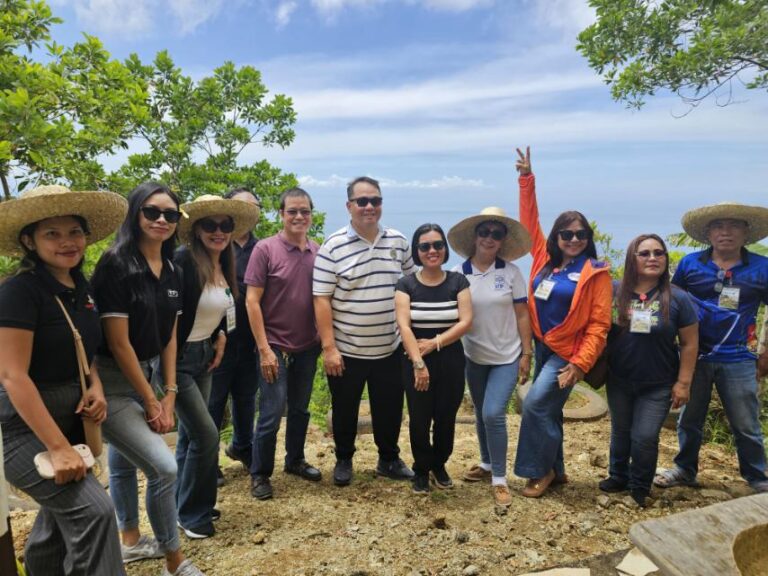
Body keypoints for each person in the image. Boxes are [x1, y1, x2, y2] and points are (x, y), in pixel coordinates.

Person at [0, 184, 127, 575]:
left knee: (56, 526)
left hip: (71, 420)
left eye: (74, 232)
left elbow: (84, 351)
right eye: (52, 234)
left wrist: (95, 386)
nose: (66, 242)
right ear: (29, 240)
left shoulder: (81, 289)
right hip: (23, 430)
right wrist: (57, 447)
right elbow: (11, 374)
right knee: (95, 511)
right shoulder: (20, 292)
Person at [91, 182, 205, 576]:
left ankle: (130, 540)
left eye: (170, 214)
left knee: (126, 458)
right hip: (113, 380)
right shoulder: (116, 265)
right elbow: (118, 344)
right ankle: (175, 560)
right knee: (164, 468)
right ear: (135, 213)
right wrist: (152, 400)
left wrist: (169, 391)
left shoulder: (172, 269)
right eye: (151, 211)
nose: (161, 220)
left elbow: (170, 336)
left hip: (151, 373)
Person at [514, 147, 612, 498]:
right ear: (556, 237)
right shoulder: (544, 259)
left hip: (567, 353)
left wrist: (579, 364)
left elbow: (599, 326)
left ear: (588, 239)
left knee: (535, 404)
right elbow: (529, 222)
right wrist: (526, 179)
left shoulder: (596, 273)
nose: (574, 240)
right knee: (550, 411)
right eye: (567, 234)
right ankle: (558, 469)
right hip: (543, 346)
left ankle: (540, 470)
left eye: (580, 235)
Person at [655, 203, 768, 493]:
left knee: (745, 423)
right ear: (708, 233)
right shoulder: (690, 264)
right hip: (694, 356)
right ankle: (685, 469)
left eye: (734, 226)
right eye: (718, 226)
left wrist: (766, 352)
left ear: (746, 232)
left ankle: (757, 476)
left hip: (739, 356)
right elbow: (673, 303)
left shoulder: (762, 267)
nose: (725, 232)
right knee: (689, 418)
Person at [313, 176, 415, 486]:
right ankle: (344, 459)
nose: (369, 206)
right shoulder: (333, 246)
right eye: (362, 201)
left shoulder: (398, 241)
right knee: (345, 409)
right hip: (347, 348)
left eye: (375, 200)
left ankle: (389, 459)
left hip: (390, 346)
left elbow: (412, 285)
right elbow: (321, 299)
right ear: (349, 206)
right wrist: (329, 348)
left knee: (390, 408)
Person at [171, 194, 260, 536]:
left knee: (189, 436)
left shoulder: (222, 260)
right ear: (195, 229)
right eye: (210, 225)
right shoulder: (183, 260)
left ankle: (187, 503)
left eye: (226, 225)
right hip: (179, 358)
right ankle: (193, 515)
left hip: (204, 354)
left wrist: (220, 334)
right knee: (206, 435)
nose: (219, 231)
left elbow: (222, 304)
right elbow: (170, 315)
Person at [601, 234, 699, 507]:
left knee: (644, 436)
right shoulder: (614, 291)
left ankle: (640, 486)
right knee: (621, 430)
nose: (653, 258)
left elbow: (690, 343)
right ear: (632, 258)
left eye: (659, 253)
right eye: (644, 253)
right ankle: (618, 475)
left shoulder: (678, 298)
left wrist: (683, 383)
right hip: (619, 378)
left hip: (658, 383)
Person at [447, 207, 533, 507]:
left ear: (503, 240)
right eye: (484, 232)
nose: (489, 238)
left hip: (507, 356)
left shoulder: (511, 273)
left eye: (497, 234)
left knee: (493, 413)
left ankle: (499, 477)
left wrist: (526, 353)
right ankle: (486, 463)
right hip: (473, 355)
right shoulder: (458, 274)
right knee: (481, 412)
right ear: (475, 236)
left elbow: (522, 314)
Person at [245, 187, 322, 500]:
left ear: (311, 214)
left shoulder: (318, 251)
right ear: (281, 214)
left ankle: (295, 460)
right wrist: (264, 350)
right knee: (272, 411)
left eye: (305, 211)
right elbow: (252, 301)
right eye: (292, 211)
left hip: (308, 344)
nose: (299, 216)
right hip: (273, 345)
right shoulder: (265, 249)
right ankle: (260, 473)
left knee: (300, 408)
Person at [395, 224, 472, 494]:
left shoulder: (458, 282)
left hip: (450, 358)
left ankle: (438, 463)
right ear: (416, 251)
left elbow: (466, 321)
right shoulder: (406, 284)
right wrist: (419, 363)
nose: (432, 251)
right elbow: (404, 326)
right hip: (414, 357)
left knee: (445, 417)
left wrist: (435, 343)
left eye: (438, 245)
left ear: (445, 249)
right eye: (425, 246)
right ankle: (421, 468)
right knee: (419, 418)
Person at [208, 189, 261, 486]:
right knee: (213, 401)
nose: (249, 213)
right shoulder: (217, 244)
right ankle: (208, 458)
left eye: (254, 208)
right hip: (217, 339)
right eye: (242, 207)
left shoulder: (261, 248)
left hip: (249, 339)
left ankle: (243, 446)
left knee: (245, 397)